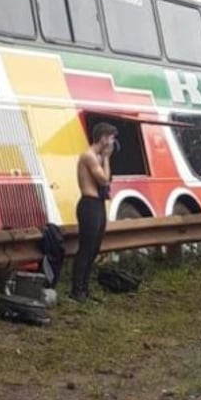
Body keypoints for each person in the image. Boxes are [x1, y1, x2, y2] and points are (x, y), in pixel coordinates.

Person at [70, 122, 117, 303]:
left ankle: (85, 288)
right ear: (103, 138)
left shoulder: (97, 157)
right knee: (86, 248)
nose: (113, 142)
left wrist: (105, 159)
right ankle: (77, 290)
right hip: (89, 204)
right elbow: (104, 180)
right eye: (111, 137)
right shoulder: (89, 156)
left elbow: (108, 179)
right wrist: (106, 158)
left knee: (95, 248)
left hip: (98, 204)